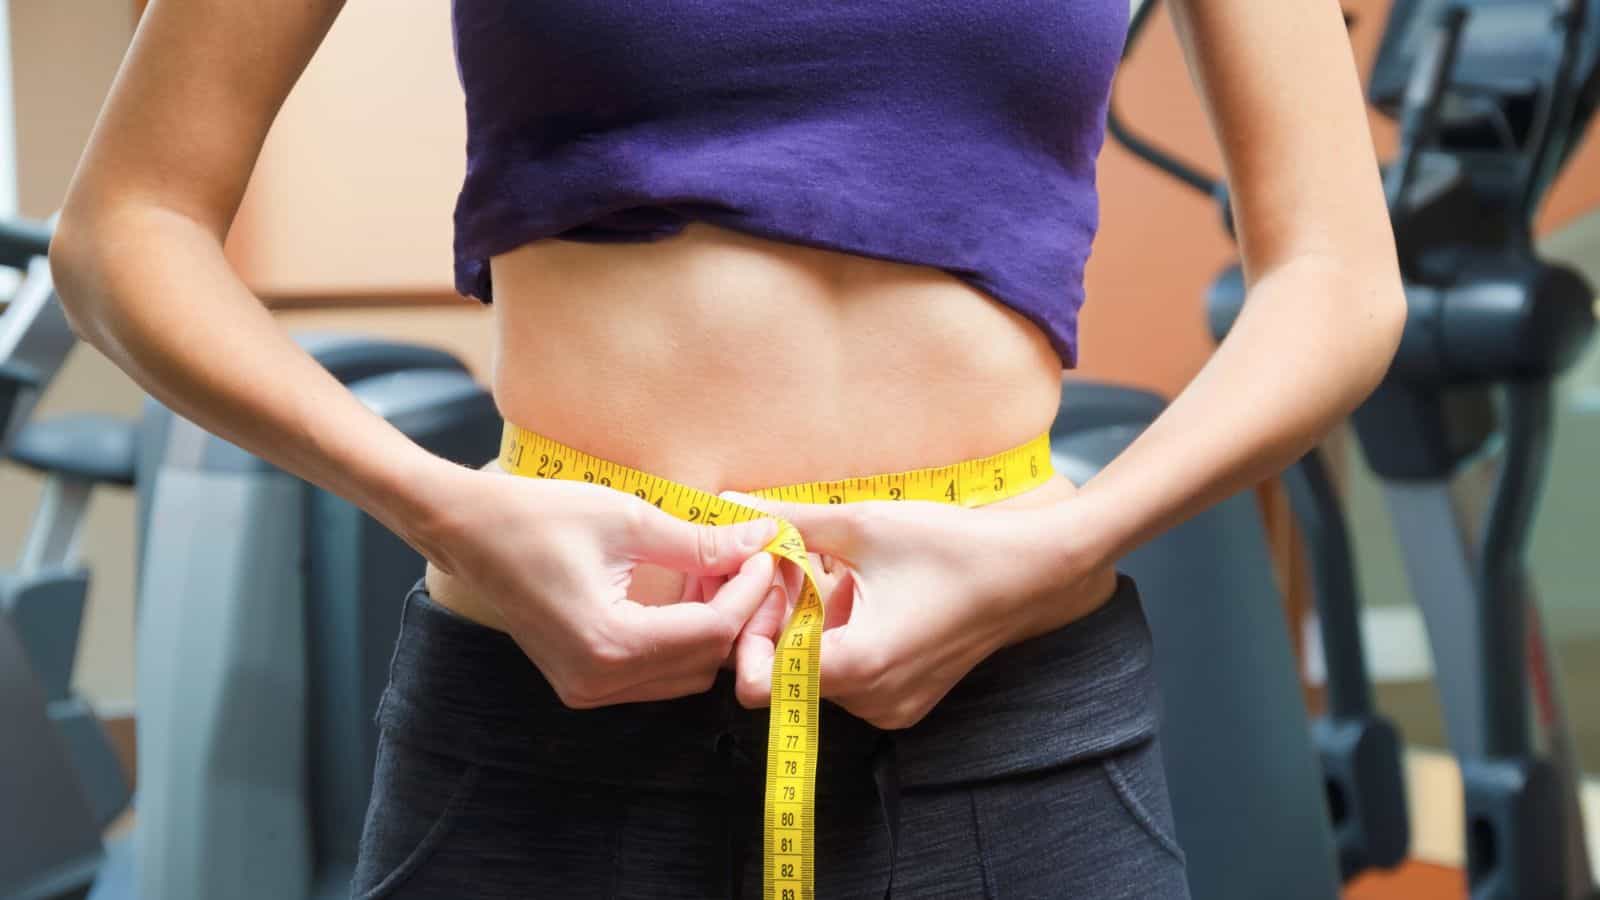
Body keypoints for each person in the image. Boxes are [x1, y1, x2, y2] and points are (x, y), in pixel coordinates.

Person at [49, 0, 1405, 897]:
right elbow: (125, 230)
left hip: (1003, 697)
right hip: (545, 703)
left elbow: (1340, 278)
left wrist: (1070, 534)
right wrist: (442, 508)